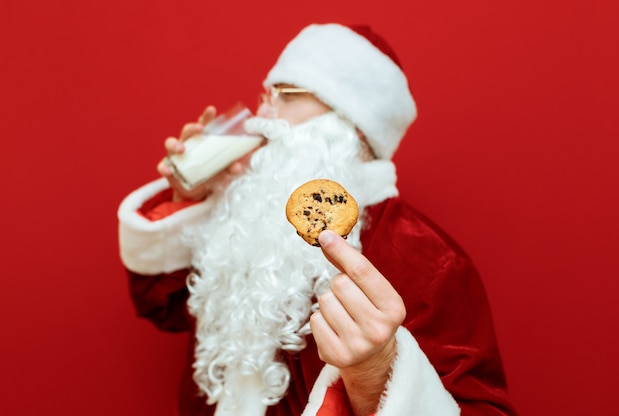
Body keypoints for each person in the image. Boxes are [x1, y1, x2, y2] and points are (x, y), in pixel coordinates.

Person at [118, 23, 517, 416]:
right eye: (265, 96)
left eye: (286, 96)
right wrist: (190, 198)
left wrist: (378, 374)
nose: (263, 115)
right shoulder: (253, 220)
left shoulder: (430, 261)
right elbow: (164, 305)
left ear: (352, 126)